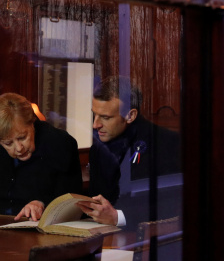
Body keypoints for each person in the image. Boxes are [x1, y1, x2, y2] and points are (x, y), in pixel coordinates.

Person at [76, 76, 180, 230]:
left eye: (105, 117)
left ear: (130, 116)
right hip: (101, 235)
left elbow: (170, 205)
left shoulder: (167, 144)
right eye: (94, 114)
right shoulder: (98, 148)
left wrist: (117, 217)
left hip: (146, 239)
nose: (95, 125)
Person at [0, 93, 83, 221]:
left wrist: (42, 204)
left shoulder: (60, 144)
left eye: (22, 137)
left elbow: (71, 203)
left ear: (32, 123)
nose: (19, 148)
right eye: (8, 143)